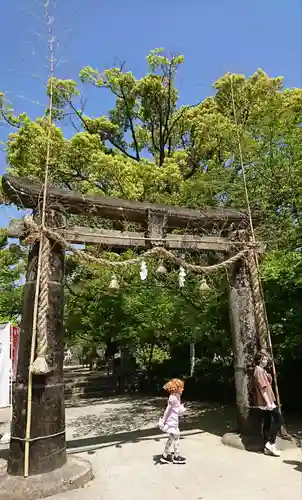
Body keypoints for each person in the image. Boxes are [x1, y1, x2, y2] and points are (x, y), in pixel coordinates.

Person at [253, 351, 283, 457]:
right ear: (260, 361)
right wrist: (268, 402)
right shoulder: (259, 371)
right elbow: (262, 388)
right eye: (264, 359)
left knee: (267, 422)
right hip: (266, 401)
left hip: (266, 400)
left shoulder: (261, 370)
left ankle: (267, 448)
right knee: (279, 420)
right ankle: (271, 443)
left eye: (266, 359)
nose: (266, 361)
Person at [158, 378, 186, 464]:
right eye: (181, 387)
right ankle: (176, 456)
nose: (182, 389)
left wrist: (181, 409)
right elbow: (168, 410)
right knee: (177, 437)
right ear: (176, 388)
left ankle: (165, 456)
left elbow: (175, 409)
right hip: (171, 421)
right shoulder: (173, 398)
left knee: (171, 438)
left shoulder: (177, 396)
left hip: (174, 420)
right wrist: (163, 420)